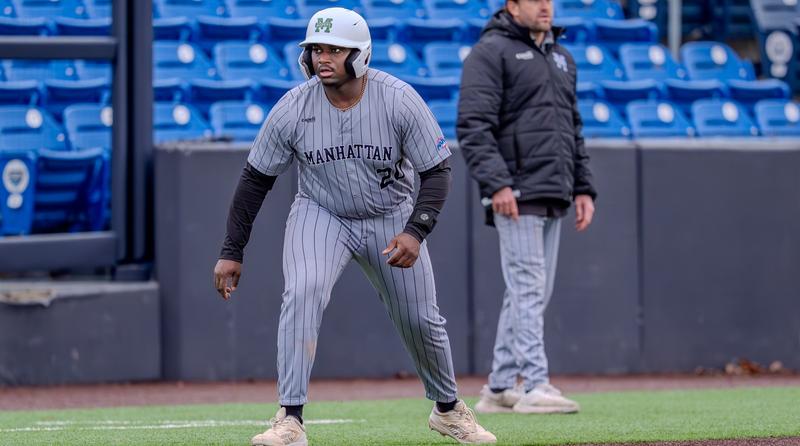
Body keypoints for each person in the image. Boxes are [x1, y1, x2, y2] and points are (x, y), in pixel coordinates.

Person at [213, 7, 496, 446]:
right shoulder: (293, 107)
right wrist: (232, 249)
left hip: (391, 216)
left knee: (420, 319)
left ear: (360, 55)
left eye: (335, 50)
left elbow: (438, 170)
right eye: (317, 49)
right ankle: (289, 418)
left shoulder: (398, 99)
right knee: (302, 292)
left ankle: (447, 409)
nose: (324, 58)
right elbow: (256, 179)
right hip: (321, 213)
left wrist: (415, 231)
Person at [457, 0, 597, 415]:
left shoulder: (561, 56)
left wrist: (584, 187)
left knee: (529, 291)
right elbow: (472, 124)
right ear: (511, 6)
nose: (545, 6)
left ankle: (500, 388)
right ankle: (535, 384)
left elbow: (572, 127)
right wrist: (497, 182)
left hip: (553, 188)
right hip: (515, 193)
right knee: (529, 288)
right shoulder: (490, 52)